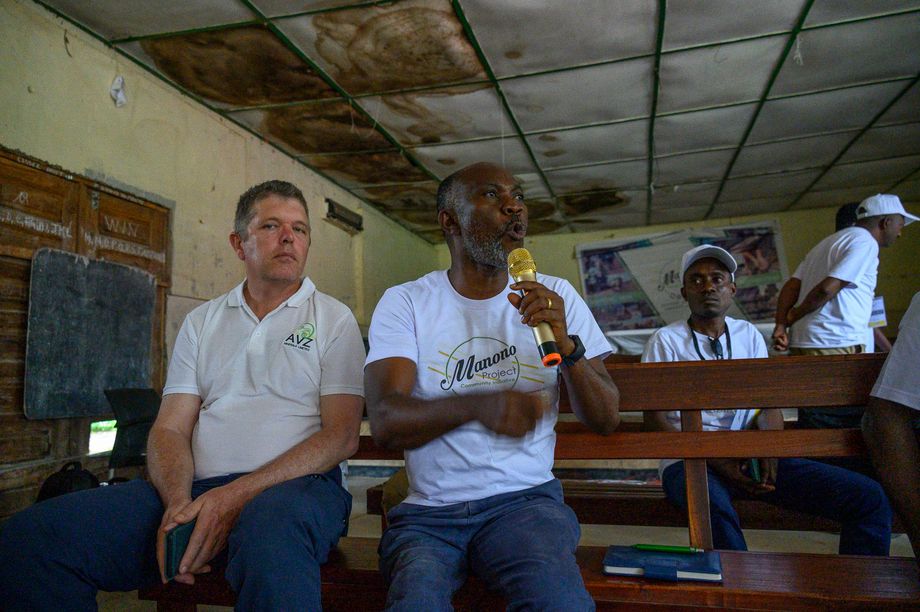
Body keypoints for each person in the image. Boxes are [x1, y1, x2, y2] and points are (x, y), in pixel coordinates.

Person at [0, 180, 366, 610]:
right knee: (29, 540)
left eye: (300, 229)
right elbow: (170, 428)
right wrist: (178, 502)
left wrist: (232, 498)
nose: (289, 237)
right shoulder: (202, 322)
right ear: (238, 243)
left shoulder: (333, 319)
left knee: (270, 536)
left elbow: (341, 437)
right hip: (194, 489)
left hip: (299, 490)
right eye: (271, 225)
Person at [364, 162, 620, 611]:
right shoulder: (406, 302)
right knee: (415, 600)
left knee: (557, 600)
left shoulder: (556, 295)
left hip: (525, 505)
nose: (513, 207)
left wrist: (568, 347)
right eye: (491, 195)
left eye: (518, 196)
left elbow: (605, 418)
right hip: (430, 515)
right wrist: (476, 405)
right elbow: (386, 422)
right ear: (449, 221)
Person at [643, 244, 892, 555]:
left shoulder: (748, 335)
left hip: (749, 455)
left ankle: (860, 592)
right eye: (696, 280)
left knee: (868, 498)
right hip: (689, 461)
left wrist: (768, 452)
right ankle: (741, 591)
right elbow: (656, 422)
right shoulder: (665, 342)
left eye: (717, 279)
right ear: (684, 293)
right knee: (713, 514)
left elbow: (767, 406)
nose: (707, 286)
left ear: (731, 289)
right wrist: (720, 461)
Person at [772, 194, 917, 429]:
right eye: (900, 224)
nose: (900, 233)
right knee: (838, 423)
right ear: (885, 222)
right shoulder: (865, 243)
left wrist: (782, 324)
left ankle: (819, 464)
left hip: (808, 344)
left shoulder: (826, 243)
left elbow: (791, 286)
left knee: (815, 416)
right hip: (836, 344)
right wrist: (792, 316)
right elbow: (828, 289)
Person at [862, 291, 920, 562]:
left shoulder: (870, 290)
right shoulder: (860, 248)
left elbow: (875, 329)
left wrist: (892, 356)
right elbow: (884, 416)